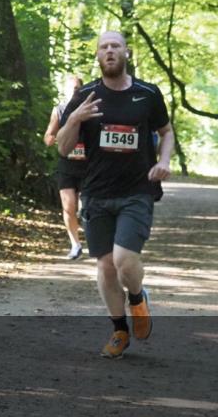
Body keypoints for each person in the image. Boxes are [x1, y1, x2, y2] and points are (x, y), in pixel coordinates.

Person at [57, 31, 173, 359]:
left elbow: (166, 133)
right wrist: (76, 118)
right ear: (97, 55)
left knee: (123, 260)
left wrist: (163, 161)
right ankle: (119, 329)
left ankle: (137, 298)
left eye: (115, 46)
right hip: (96, 193)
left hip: (137, 190)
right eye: (104, 47)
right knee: (106, 266)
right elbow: (64, 148)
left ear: (126, 52)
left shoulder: (148, 93)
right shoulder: (86, 96)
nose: (110, 51)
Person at [44, 75, 86, 260]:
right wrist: (51, 140)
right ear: (65, 91)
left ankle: (95, 235)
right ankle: (75, 244)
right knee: (69, 207)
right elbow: (49, 135)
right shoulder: (59, 110)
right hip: (67, 164)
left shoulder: (90, 109)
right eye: (72, 88)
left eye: (77, 88)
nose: (75, 91)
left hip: (89, 165)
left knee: (87, 207)